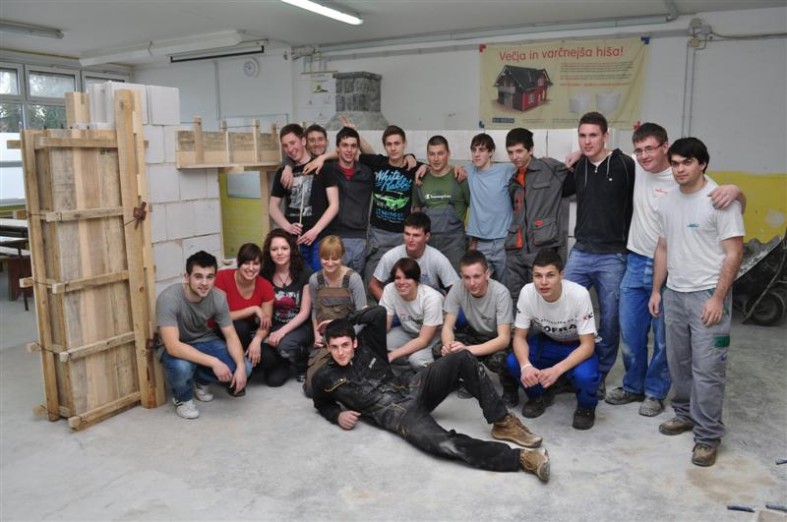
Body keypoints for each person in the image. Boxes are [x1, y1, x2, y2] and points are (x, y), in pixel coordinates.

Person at [312, 307, 550, 481]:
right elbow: (322, 403)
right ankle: (522, 458)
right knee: (445, 444)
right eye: (335, 347)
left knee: (461, 356)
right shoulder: (324, 377)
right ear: (327, 347)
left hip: (412, 386)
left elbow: (378, 312)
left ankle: (502, 421)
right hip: (398, 416)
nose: (341, 352)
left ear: (354, 343)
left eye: (345, 345)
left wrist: (341, 321)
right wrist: (337, 415)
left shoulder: (367, 346)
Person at [606, 123, 745, 417]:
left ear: (665, 148)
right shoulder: (638, 167)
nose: (644, 155)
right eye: (639, 150)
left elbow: (725, 203)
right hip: (639, 260)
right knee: (631, 333)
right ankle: (633, 386)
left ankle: (655, 393)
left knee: (666, 341)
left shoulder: (688, 177)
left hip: (677, 268)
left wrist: (737, 191)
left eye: (650, 148)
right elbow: (599, 150)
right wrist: (576, 153)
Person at [648, 137, 744, 467]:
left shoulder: (720, 201)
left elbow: (734, 253)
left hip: (707, 294)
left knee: (708, 369)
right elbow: (663, 247)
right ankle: (685, 414)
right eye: (675, 163)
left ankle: (707, 436)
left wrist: (718, 297)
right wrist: (657, 290)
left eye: (687, 162)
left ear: (702, 163)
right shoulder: (667, 202)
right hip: (674, 293)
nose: (679, 169)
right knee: (678, 362)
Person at [562, 111, 635, 399]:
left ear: (606, 136)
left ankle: (600, 373)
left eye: (593, 135)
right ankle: (570, 367)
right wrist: (576, 157)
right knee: (564, 309)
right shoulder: (579, 166)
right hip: (580, 251)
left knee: (610, 319)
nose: (587, 141)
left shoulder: (625, 165)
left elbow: (654, 171)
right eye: (582, 136)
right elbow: (561, 188)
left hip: (613, 256)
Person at [506, 249, 600, 430]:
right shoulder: (527, 292)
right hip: (547, 342)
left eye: (550, 275)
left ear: (561, 275)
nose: (543, 282)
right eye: (538, 276)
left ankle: (586, 407)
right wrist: (525, 366)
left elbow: (588, 345)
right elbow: (519, 337)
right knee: (513, 361)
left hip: (576, 345)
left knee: (585, 376)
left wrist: (557, 370)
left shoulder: (579, 294)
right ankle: (539, 396)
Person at [156, 251, 251, 419]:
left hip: (203, 340)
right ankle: (182, 398)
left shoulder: (218, 297)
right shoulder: (168, 298)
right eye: (198, 277)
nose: (205, 283)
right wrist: (214, 362)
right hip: (175, 345)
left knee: (245, 367)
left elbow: (231, 336)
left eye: (210, 277)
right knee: (182, 367)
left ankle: (200, 380)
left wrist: (241, 367)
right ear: (187, 277)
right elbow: (173, 346)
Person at [441, 250, 520, 407]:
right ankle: (471, 381)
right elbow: (447, 326)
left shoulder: (501, 293)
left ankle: (510, 390)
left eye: (476, 276)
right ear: (461, 276)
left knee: (503, 361)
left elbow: (504, 339)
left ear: (487, 274)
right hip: (475, 333)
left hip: (497, 338)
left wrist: (467, 350)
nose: (472, 283)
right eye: (466, 277)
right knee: (439, 350)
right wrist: (448, 346)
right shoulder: (458, 288)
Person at [504, 127, 572, 301]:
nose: (515, 157)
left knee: (545, 300)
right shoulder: (513, 180)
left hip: (543, 249)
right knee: (518, 300)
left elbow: (579, 170)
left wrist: (578, 154)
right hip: (516, 252)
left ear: (531, 149)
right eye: (510, 152)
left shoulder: (550, 168)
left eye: (519, 151)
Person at [269, 124, 339, 271]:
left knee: (318, 278)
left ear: (303, 141)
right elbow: (272, 206)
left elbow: (334, 205)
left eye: (292, 143)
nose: (290, 149)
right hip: (294, 240)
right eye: (285, 145)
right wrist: (287, 226)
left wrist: (315, 230)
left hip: (320, 237)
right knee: (298, 278)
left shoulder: (323, 167)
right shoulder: (283, 172)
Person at [260, 229, 314, 386]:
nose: (279, 253)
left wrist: (281, 332)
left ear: (291, 250)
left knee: (284, 344)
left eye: (284, 248)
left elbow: (305, 312)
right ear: (269, 252)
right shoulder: (265, 273)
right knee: (273, 381)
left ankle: (302, 361)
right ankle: (285, 358)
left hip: (300, 326)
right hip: (275, 326)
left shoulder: (305, 272)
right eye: (274, 249)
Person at [369, 212, 459, 301]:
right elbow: (373, 286)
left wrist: (442, 307)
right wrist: (389, 305)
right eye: (407, 234)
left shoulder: (437, 258)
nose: (410, 239)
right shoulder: (391, 256)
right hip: (400, 304)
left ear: (427, 236)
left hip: (428, 304)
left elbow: (457, 289)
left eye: (416, 235)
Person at [320, 127, 375, 275]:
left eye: (353, 146)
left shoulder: (367, 172)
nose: (349, 150)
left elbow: (375, 158)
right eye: (344, 145)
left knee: (355, 283)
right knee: (334, 283)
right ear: (337, 148)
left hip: (359, 238)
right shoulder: (328, 170)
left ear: (357, 149)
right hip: (333, 237)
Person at [412, 135, 470, 272]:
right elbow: (416, 213)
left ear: (448, 154)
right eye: (432, 154)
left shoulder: (460, 177)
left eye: (440, 153)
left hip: (454, 245)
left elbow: (475, 208)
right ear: (427, 155)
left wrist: (473, 241)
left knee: (455, 283)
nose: (436, 158)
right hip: (427, 244)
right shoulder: (419, 179)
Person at [465, 133, 515, 287]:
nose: (477, 154)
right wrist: (422, 166)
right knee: (479, 288)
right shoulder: (468, 171)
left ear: (491, 152)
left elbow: (530, 166)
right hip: (480, 243)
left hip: (504, 242)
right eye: (474, 150)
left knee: (508, 288)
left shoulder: (506, 170)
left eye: (481, 150)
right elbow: (443, 169)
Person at [213, 242, 274, 369]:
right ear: (238, 262)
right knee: (240, 327)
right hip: (221, 331)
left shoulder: (265, 286)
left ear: (261, 265)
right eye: (246, 263)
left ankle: (248, 366)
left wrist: (257, 340)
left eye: (255, 264)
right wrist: (253, 309)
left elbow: (265, 323)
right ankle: (242, 367)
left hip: (247, 336)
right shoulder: (222, 277)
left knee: (270, 360)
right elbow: (220, 316)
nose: (251, 268)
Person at [379, 258, 444, 371]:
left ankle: (433, 368)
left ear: (417, 281)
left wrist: (392, 355)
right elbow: (385, 325)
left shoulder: (432, 298)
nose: (401, 282)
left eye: (407, 277)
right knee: (379, 343)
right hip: (408, 331)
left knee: (416, 360)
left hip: (434, 336)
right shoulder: (390, 289)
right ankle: (404, 362)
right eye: (397, 278)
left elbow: (423, 340)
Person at [309, 236, 367, 349]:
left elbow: (363, 315)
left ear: (342, 256)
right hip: (325, 337)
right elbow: (315, 310)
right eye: (326, 258)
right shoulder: (314, 280)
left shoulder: (353, 279)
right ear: (320, 257)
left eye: (335, 259)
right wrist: (317, 336)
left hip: (350, 336)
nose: (330, 263)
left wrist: (347, 337)